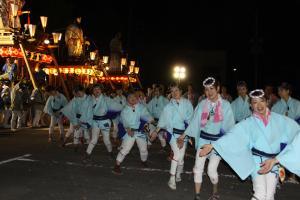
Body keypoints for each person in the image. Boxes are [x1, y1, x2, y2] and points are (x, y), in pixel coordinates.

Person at [198, 89, 300, 200]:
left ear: (267, 102)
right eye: (255, 102)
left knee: (270, 195)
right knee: (260, 193)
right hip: (257, 161)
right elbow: (233, 135)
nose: (259, 105)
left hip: (273, 162)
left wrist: (280, 158)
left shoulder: (280, 120)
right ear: (251, 106)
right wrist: (214, 145)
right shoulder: (248, 123)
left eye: (262, 101)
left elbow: (296, 133)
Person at [177, 77, 235, 200]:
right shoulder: (202, 104)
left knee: (211, 171)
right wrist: (183, 136)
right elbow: (194, 123)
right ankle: (197, 195)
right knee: (198, 168)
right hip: (203, 140)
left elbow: (230, 128)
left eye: (212, 89)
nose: (209, 92)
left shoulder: (225, 105)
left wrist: (225, 143)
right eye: (206, 89)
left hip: (217, 143)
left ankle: (215, 191)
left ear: (218, 88)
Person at [150, 84, 193, 190]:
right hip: (172, 133)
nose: (174, 93)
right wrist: (156, 131)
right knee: (177, 155)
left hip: (184, 134)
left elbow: (191, 120)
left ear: (181, 91)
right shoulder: (168, 106)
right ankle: (172, 178)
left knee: (181, 159)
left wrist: (187, 136)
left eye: (176, 90)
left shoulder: (187, 103)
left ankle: (178, 174)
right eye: (172, 91)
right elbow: (163, 120)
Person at [113, 92, 154, 175]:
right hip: (129, 131)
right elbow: (123, 121)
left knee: (144, 149)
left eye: (134, 97)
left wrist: (151, 120)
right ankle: (117, 165)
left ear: (137, 98)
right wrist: (128, 129)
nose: (133, 98)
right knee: (125, 149)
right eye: (130, 97)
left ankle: (144, 161)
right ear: (127, 99)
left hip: (140, 132)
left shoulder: (141, 107)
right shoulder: (125, 110)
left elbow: (146, 115)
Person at [147, 86, 169, 150]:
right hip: (154, 120)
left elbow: (168, 111)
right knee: (150, 132)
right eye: (155, 91)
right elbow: (148, 108)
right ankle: (148, 145)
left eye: (157, 91)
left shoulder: (165, 100)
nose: (156, 92)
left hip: (162, 121)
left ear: (161, 92)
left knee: (161, 136)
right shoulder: (153, 100)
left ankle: (164, 147)